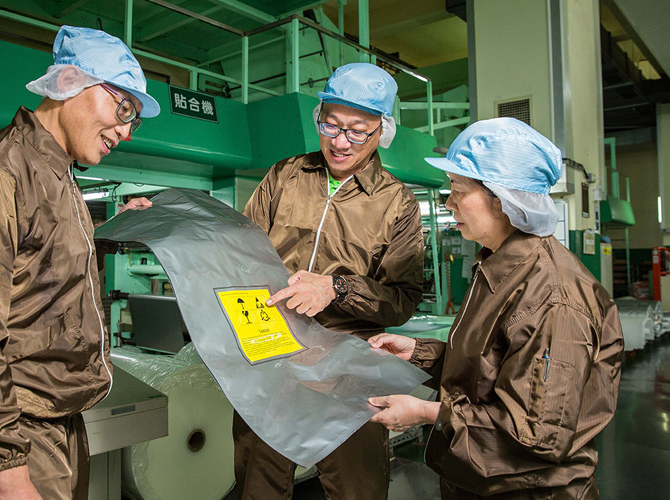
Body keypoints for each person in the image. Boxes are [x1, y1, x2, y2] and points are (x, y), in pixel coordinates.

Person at [0, 26, 159, 500]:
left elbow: (41, 263)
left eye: (135, 119)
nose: (126, 131)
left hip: (53, 418)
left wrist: (112, 233)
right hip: (12, 430)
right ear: (70, 82)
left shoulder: (57, 173)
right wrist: (8, 471)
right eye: (122, 107)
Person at [367, 118, 624, 499]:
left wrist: (424, 413)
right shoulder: (498, 266)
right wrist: (418, 353)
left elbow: (536, 432)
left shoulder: (552, 298)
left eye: (457, 189)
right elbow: (491, 371)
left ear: (502, 199)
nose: (449, 203)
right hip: (480, 482)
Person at [235, 62, 424, 500]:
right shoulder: (285, 176)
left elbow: (402, 299)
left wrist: (336, 288)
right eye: (331, 125)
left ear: (383, 130)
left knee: (358, 487)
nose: (340, 142)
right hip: (270, 361)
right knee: (256, 483)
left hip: (349, 374)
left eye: (358, 130)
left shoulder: (397, 202)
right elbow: (238, 249)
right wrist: (178, 218)